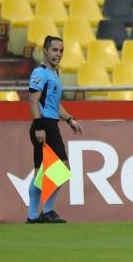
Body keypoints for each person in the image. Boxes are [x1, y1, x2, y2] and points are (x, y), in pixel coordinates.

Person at [26, 35, 83, 224]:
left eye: (61, 51)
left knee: (40, 172)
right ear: (45, 51)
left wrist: (69, 119)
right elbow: (33, 100)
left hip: (49, 124)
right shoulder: (40, 72)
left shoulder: (54, 74)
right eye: (54, 50)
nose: (58, 54)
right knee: (63, 168)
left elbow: (54, 104)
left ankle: (33, 216)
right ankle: (47, 210)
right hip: (45, 125)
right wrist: (40, 127)